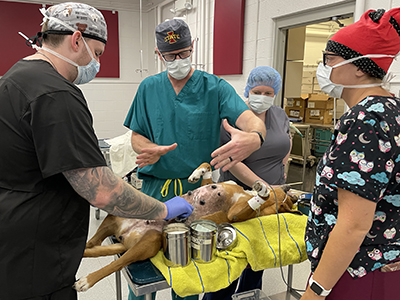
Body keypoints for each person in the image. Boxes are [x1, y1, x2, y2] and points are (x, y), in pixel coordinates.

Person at [0, 3, 193, 300]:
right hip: (39, 253)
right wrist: (163, 210)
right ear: (76, 39)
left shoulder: (13, 78)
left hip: (13, 235)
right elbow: (103, 192)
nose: (98, 63)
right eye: (98, 53)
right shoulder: (57, 94)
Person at [124, 19, 266, 300]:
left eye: (184, 53)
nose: (178, 60)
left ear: (193, 48)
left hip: (199, 197)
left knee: (188, 272)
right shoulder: (148, 88)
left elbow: (251, 121)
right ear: (158, 54)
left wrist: (256, 136)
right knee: (142, 267)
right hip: (155, 191)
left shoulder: (215, 88)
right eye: (170, 55)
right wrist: (148, 147)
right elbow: (135, 135)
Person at [302, 8, 400, 300]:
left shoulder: (365, 119)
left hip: (355, 272)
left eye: (329, 59)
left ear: (359, 66)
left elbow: (353, 225)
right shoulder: (393, 110)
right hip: (386, 266)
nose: (323, 67)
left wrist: (316, 291)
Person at [202, 66, 292, 300]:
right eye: (257, 91)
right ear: (248, 90)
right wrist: (263, 188)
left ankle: (249, 296)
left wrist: (282, 170)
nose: (262, 97)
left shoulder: (279, 115)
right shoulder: (231, 119)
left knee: (257, 257)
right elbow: (229, 160)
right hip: (239, 198)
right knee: (230, 258)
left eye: (269, 93)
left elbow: (285, 142)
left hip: (271, 199)